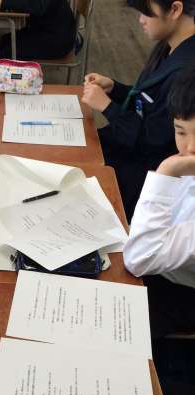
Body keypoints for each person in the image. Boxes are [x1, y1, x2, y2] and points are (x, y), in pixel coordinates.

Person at [82, 0, 195, 221]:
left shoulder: (186, 70)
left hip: (141, 170)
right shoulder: (171, 45)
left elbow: (152, 140)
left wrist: (107, 107)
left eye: (145, 12)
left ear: (175, 9)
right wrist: (115, 89)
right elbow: (149, 102)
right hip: (131, 150)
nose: (141, 20)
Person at [123, 62, 195, 340]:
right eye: (181, 131)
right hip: (160, 264)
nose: (190, 148)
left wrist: (167, 172)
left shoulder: (178, 165)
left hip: (179, 292)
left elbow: (139, 259)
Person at [0, 0, 76, 60]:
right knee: (5, 41)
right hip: (47, 30)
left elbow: (38, 6)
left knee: (9, 51)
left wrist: (2, 2)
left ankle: (9, 84)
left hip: (56, 39)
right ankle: (13, 81)